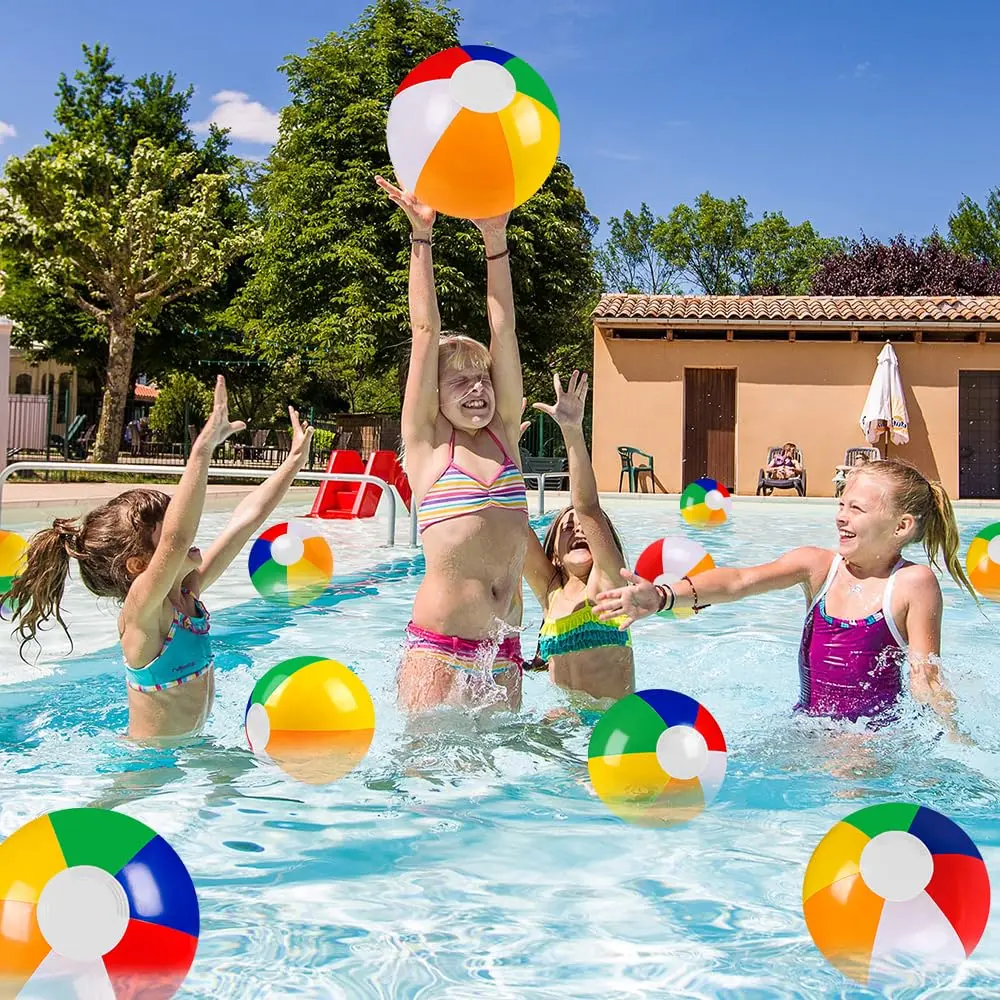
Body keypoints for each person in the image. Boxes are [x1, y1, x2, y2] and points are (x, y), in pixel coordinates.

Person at [2, 377, 314, 741]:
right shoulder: (143, 611)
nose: (188, 531)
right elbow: (178, 538)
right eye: (165, 530)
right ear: (138, 565)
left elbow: (246, 520)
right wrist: (201, 451)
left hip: (191, 750)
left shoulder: (188, 593)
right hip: (147, 765)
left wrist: (293, 463)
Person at [593, 459, 973, 740]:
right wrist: (662, 596)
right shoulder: (819, 567)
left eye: (856, 509)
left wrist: (954, 737)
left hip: (874, 740)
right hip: (805, 726)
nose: (841, 516)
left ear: (901, 526)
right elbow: (740, 581)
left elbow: (926, 676)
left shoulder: (911, 583)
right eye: (841, 504)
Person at [375, 175, 528, 713]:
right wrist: (422, 237)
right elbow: (424, 330)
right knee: (424, 783)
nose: (479, 388)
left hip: (504, 649)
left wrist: (495, 239)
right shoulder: (426, 447)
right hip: (439, 649)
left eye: (482, 378)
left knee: (501, 783)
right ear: (432, 394)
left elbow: (503, 332)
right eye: (460, 381)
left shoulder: (504, 432)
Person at [521, 371, 634, 703]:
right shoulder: (550, 594)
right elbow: (514, 524)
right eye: (566, 528)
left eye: (582, 527)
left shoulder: (609, 586)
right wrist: (505, 456)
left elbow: (588, 508)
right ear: (554, 553)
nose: (577, 529)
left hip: (614, 726)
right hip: (564, 724)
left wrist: (572, 431)